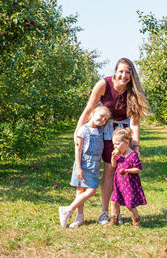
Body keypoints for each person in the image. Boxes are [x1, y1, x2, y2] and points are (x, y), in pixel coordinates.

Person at [74, 58, 150, 225]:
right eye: (121, 71)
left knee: (115, 169)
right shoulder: (103, 85)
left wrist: (135, 146)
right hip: (102, 129)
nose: (124, 75)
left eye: (128, 72)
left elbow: (135, 123)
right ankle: (100, 212)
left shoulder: (133, 91)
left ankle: (113, 212)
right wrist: (78, 131)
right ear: (115, 71)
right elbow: (88, 109)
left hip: (121, 134)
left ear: (132, 74)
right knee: (98, 167)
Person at [59, 105, 111, 228]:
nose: (103, 119)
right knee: (82, 190)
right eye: (101, 116)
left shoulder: (100, 130)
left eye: (106, 119)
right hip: (82, 163)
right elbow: (78, 150)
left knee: (90, 190)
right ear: (92, 113)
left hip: (94, 165)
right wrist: (78, 167)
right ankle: (79, 216)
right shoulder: (83, 130)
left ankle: (68, 210)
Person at [106, 127, 146, 228]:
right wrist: (113, 157)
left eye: (118, 143)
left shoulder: (133, 155)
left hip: (129, 184)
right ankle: (114, 220)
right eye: (114, 144)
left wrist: (127, 170)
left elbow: (138, 168)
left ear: (127, 143)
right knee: (114, 202)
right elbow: (114, 165)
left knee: (130, 205)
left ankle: (136, 221)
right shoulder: (119, 155)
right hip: (119, 184)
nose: (115, 146)